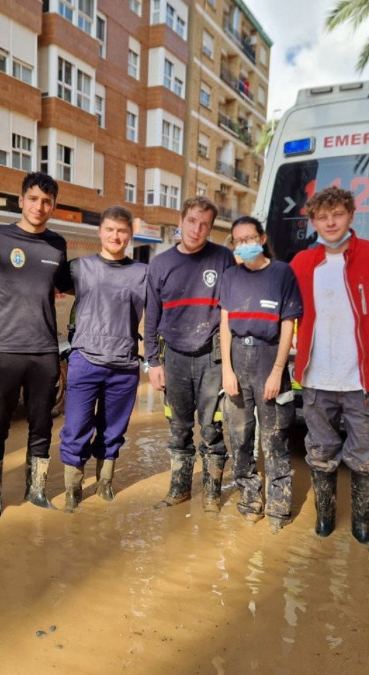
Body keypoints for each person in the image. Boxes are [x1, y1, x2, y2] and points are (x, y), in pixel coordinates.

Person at [290, 187, 369, 544]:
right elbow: (282, 315)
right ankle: (325, 519)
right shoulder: (302, 264)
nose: (331, 222)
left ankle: (361, 524)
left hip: (364, 381)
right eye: (323, 217)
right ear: (313, 223)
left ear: (351, 215)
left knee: (367, 458)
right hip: (317, 378)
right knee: (320, 453)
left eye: (337, 214)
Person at [0, 172, 72, 520]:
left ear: (53, 206)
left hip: (44, 352)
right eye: (34, 199)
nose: (39, 206)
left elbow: (65, 285)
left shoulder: (57, 245)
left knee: (41, 424)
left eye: (47, 201)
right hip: (4, 349)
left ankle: (36, 490)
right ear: (21, 200)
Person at [145, 196, 236, 514]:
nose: (198, 229)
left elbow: (231, 310)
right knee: (178, 428)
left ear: (211, 228)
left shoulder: (223, 258)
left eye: (205, 224)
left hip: (212, 357)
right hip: (174, 358)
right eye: (193, 221)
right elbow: (151, 315)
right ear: (181, 220)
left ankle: (212, 494)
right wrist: (152, 361)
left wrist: (231, 364)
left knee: (212, 427)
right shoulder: (160, 263)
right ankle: (179, 490)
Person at [58, 206, 147, 512]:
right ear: (100, 232)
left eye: (122, 231)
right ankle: (72, 488)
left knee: (113, 430)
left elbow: (161, 314)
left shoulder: (142, 274)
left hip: (124, 365)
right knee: (76, 428)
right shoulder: (78, 268)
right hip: (85, 361)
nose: (115, 236)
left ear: (130, 236)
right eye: (110, 229)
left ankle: (105, 482)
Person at [219, 216, 302, 531]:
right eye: (237, 241)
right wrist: (227, 370)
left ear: (262, 238)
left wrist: (277, 371)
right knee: (240, 439)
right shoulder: (230, 277)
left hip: (270, 360)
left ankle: (279, 510)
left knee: (276, 439)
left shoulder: (282, 273)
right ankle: (249, 502)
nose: (244, 245)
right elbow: (225, 326)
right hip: (238, 359)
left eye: (249, 238)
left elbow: (288, 325)